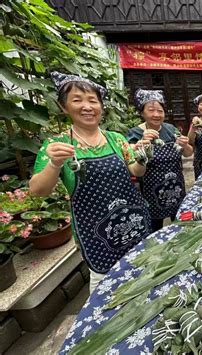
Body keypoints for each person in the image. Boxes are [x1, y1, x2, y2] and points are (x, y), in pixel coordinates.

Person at [29, 72, 151, 293]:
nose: (87, 106)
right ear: (63, 106)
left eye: (92, 100)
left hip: (132, 223)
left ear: (101, 106)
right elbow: (38, 190)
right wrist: (55, 164)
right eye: (77, 100)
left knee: (142, 277)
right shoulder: (57, 145)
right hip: (97, 235)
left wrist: (143, 156)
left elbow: (136, 171)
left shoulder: (116, 139)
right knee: (105, 290)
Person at [126, 89, 193, 231]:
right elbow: (131, 159)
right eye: (151, 110)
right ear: (142, 112)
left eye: (160, 111)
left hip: (176, 187)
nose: (156, 114)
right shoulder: (135, 133)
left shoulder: (170, 129)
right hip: (152, 192)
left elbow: (188, 153)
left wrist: (185, 144)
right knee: (155, 229)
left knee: (181, 224)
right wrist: (143, 143)